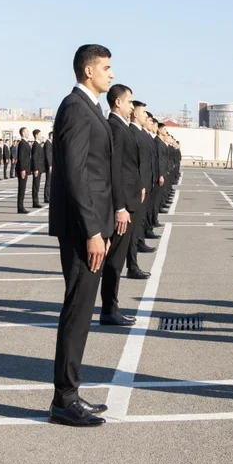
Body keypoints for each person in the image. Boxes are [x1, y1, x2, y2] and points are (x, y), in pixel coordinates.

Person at [48, 44, 116, 427]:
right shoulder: (76, 107)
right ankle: (64, 399)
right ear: (88, 71)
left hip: (92, 225)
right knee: (76, 311)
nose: (110, 73)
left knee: (81, 311)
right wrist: (92, 230)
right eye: (106, 67)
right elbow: (75, 174)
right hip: (81, 229)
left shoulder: (90, 108)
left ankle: (70, 392)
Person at [99, 83, 141, 325]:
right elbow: (115, 171)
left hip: (128, 201)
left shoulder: (120, 126)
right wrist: (120, 207)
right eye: (128, 102)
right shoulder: (115, 127)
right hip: (122, 204)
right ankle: (109, 309)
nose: (131, 107)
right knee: (114, 260)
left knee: (116, 258)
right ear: (117, 102)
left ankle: (111, 307)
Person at [127, 102, 155, 269]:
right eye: (143, 113)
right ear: (136, 115)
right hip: (137, 187)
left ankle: (134, 259)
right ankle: (132, 265)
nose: (146, 116)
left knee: (137, 225)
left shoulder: (142, 134)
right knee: (132, 228)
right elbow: (133, 164)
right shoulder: (132, 133)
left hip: (144, 185)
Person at [29, 129, 47, 209]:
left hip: (39, 168)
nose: (41, 136)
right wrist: (35, 169)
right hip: (37, 168)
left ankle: (36, 201)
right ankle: (35, 202)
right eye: (39, 134)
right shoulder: (36, 144)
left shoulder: (38, 144)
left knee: (37, 185)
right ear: (36, 135)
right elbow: (35, 158)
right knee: (36, 185)